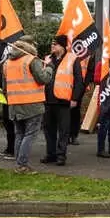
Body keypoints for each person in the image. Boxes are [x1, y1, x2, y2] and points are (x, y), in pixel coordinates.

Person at [2, 35, 53, 174]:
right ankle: (22, 165)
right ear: (31, 46)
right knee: (30, 135)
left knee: (20, 134)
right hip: (32, 104)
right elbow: (43, 79)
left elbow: (4, 87)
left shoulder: (7, 63)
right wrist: (49, 67)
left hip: (14, 104)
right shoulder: (31, 59)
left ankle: (18, 164)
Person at [41, 35, 85, 166]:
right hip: (48, 100)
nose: (52, 46)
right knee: (48, 129)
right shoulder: (47, 59)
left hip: (63, 101)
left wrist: (75, 98)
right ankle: (51, 154)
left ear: (63, 46)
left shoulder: (72, 59)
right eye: (52, 44)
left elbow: (79, 81)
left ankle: (61, 155)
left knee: (63, 130)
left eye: (56, 44)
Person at [70, 53, 95, 146]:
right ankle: (67, 135)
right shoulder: (69, 52)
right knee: (67, 113)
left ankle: (73, 135)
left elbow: (90, 70)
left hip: (79, 86)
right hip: (66, 85)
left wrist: (84, 85)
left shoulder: (88, 55)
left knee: (75, 112)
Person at [0, 80, 14, 161]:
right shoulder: (3, 67)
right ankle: (10, 148)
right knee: (8, 124)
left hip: (12, 97)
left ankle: (13, 149)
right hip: (6, 98)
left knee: (11, 125)